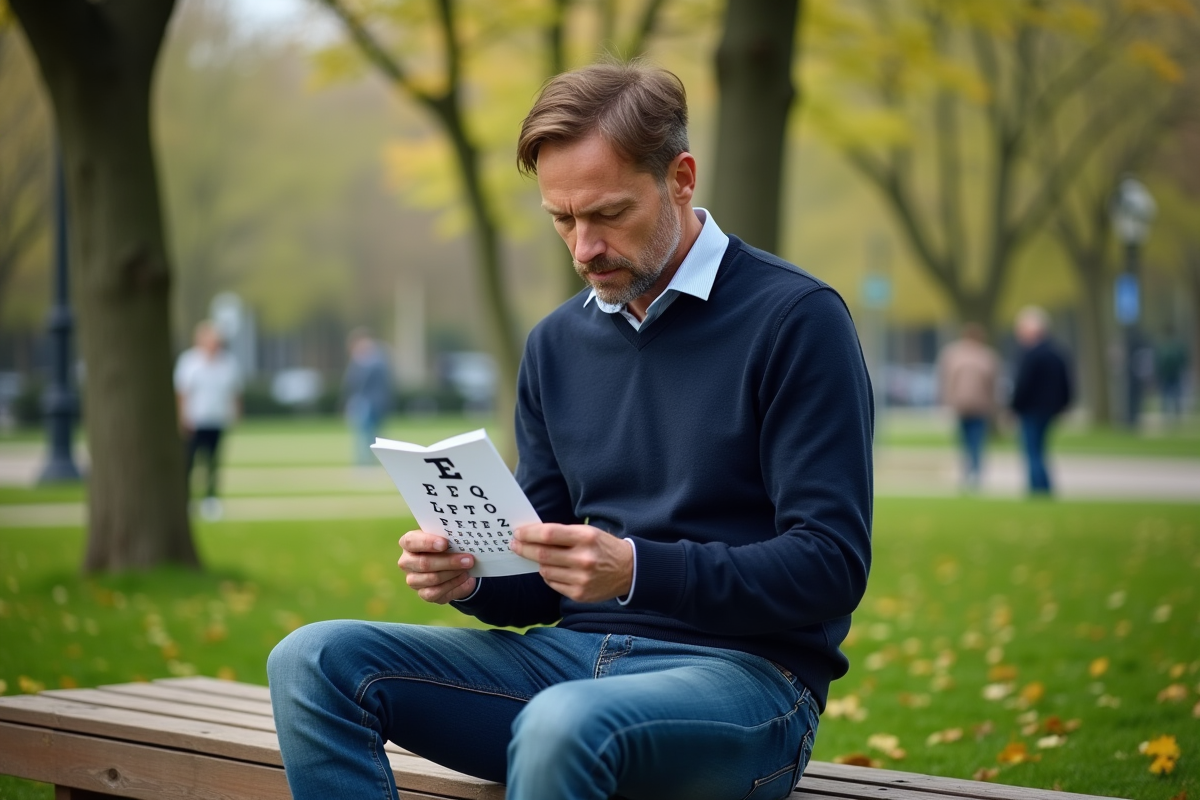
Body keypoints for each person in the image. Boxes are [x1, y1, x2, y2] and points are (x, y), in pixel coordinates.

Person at [268, 63, 873, 800]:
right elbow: (538, 584)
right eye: (562, 220)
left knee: (563, 723)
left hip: (747, 682)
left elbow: (831, 564)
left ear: (680, 179)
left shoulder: (797, 320)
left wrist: (638, 569)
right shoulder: (556, 344)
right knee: (311, 661)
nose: (584, 248)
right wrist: (472, 579)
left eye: (608, 214)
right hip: (569, 664)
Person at [174, 320, 242, 521]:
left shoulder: (228, 363)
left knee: (213, 462)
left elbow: (234, 391)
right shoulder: (189, 362)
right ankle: (186, 499)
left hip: (217, 420)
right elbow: (182, 393)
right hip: (195, 421)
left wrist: (236, 413)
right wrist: (182, 417)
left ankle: (211, 499)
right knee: (189, 462)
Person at [1009, 306, 1072, 496]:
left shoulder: (1031, 355)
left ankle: (1038, 488)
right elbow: (1066, 382)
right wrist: (1064, 404)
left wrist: (1014, 406)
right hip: (1050, 409)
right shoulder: (1057, 352)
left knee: (1032, 450)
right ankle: (1043, 486)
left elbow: (1023, 384)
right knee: (1040, 448)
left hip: (1031, 409)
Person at [937, 322, 999, 490]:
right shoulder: (987, 356)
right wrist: (994, 406)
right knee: (976, 441)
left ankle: (967, 473)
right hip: (980, 405)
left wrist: (947, 401)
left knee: (964, 441)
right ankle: (975, 473)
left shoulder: (953, 355)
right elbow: (992, 384)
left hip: (961, 404)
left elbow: (947, 380)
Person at [342, 328, 393, 464]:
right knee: (363, 434)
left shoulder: (378, 361)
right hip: (362, 404)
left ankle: (379, 461)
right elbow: (351, 384)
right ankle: (365, 462)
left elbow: (385, 384)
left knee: (376, 435)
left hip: (376, 403)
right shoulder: (357, 362)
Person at [1155, 325, 1189, 422]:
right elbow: (1184, 359)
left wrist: (1159, 372)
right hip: (1175, 373)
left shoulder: (1162, 346)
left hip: (1166, 374)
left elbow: (1158, 361)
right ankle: (1177, 413)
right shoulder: (1178, 345)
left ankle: (1166, 413)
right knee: (1176, 393)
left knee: (1166, 394)